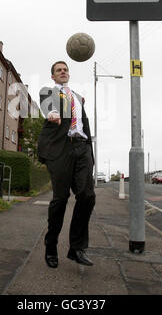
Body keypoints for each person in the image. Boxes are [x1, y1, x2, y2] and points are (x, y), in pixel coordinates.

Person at [37, 61, 96, 268]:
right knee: (60, 199)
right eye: (58, 70)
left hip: (82, 148)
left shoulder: (78, 98)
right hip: (61, 150)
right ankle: (51, 245)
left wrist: (90, 150)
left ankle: (77, 248)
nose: (63, 72)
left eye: (65, 69)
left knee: (87, 196)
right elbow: (48, 106)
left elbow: (84, 123)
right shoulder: (49, 92)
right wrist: (52, 114)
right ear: (53, 76)